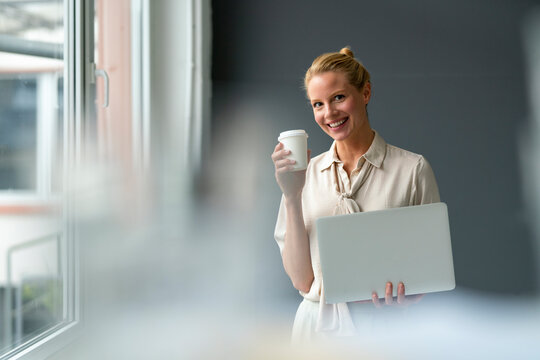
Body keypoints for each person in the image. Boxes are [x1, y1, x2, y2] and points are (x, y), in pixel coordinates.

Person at [271, 47, 440, 342]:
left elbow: (431, 268)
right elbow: (301, 280)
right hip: (315, 331)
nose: (329, 113)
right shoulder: (304, 176)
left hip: (387, 329)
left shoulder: (412, 169)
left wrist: (408, 296)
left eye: (339, 97)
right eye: (318, 104)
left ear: (365, 93)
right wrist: (291, 195)